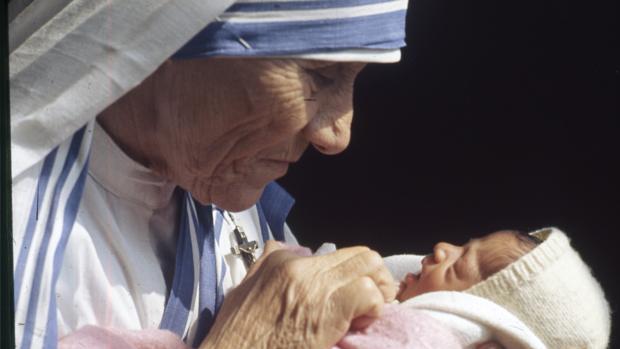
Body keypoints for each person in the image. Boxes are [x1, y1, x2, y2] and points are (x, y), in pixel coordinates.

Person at [10, 0, 409, 348]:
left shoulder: (238, 204)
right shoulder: (20, 225)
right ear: (167, 31)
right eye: (320, 76)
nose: (337, 136)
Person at [333, 228, 611, 349]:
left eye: (457, 266)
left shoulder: (422, 338)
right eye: (464, 245)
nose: (442, 248)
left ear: (473, 313)